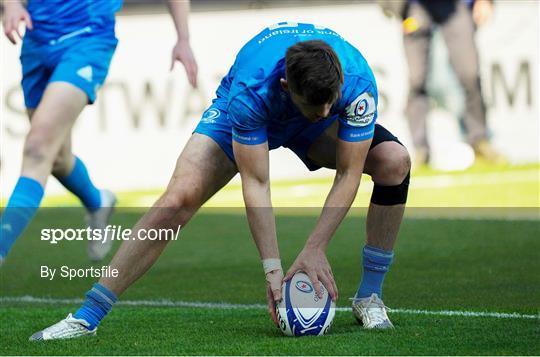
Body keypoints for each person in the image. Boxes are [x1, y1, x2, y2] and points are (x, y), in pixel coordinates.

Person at [29, 22, 411, 341]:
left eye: (332, 103)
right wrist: (273, 270)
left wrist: (315, 247)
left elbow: (348, 173)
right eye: (318, 107)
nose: (326, 112)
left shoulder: (357, 83)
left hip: (313, 127)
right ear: (286, 89)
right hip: (247, 110)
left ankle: (370, 298)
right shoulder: (252, 91)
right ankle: (86, 317)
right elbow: (257, 184)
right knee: (178, 199)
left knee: (394, 161)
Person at [0, 0, 198, 265]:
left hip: (87, 38)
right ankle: (98, 200)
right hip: (36, 39)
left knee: (37, 149)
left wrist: (183, 38)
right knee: (56, 158)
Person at [399, 0, 504, 166]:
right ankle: (420, 150)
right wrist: (395, 7)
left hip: (457, 5)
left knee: (470, 74)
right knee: (416, 81)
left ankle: (480, 141)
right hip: (414, 6)